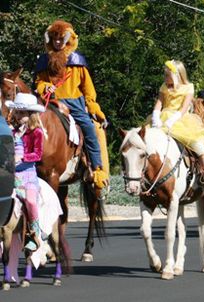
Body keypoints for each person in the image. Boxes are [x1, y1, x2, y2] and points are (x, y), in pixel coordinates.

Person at [34, 20, 108, 189]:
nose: (58, 42)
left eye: (61, 39)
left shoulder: (77, 60)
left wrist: (93, 106)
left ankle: (96, 168)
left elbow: (88, 89)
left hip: (74, 103)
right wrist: (45, 87)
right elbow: (39, 83)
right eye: (54, 39)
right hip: (50, 101)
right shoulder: (44, 61)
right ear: (50, 40)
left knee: (89, 128)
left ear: (68, 39)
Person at [151, 60, 204, 190]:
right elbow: (159, 102)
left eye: (167, 75)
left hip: (181, 119)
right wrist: (155, 116)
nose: (165, 78)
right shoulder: (164, 87)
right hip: (163, 118)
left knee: (198, 144)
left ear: (177, 75)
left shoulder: (188, 88)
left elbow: (184, 108)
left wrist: (172, 120)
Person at [6, 93, 45, 251]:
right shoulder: (13, 132)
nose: (18, 115)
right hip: (12, 173)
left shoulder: (37, 133)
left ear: (31, 114)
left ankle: (34, 233)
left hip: (28, 174)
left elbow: (38, 154)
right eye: (17, 112)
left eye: (21, 112)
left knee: (30, 201)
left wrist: (21, 158)